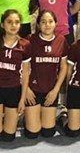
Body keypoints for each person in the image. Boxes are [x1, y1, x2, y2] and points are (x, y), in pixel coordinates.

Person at [0, 10, 30, 143]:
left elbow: (25, 74)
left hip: (14, 90)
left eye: (17, 22)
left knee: (9, 138)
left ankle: (4, 119)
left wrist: (22, 99)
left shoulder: (25, 45)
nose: (13, 25)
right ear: (2, 24)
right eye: (9, 22)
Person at [21, 10, 69, 139]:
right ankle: (25, 117)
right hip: (33, 90)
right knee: (32, 134)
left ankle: (58, 118)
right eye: (43, 22)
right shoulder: (30, 40)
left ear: (56, 23)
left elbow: (63, 67)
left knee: (48, 133)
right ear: (38, 24)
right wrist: (26, 89)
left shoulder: (61, 40)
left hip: (50, 91)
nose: (47, 25)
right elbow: (22, 66)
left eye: (50, 21)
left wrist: (56, 90)